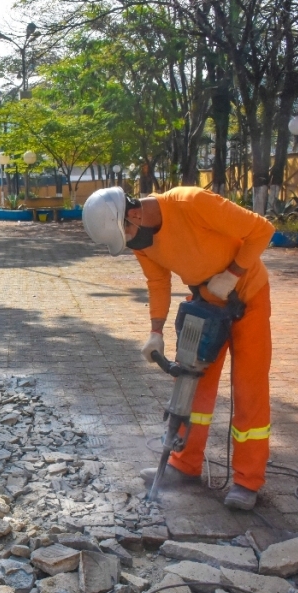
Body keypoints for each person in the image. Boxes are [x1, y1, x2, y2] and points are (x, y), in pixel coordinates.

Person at [81, 186, 275, 510]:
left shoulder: (192, 203)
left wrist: (232, 274)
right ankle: (184, 465)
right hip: (205, 303)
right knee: (189, 387)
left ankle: (247, 481)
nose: (129, 244)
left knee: (249, 390)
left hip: (248, 297)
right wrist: (155, 331)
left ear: (133, 213)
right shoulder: (140, 241)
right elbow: (158, 282)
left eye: (125, 234)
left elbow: (261, 229)